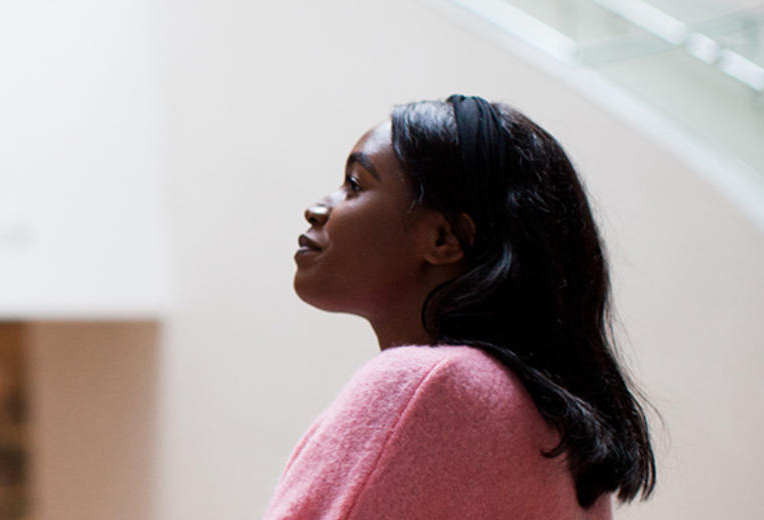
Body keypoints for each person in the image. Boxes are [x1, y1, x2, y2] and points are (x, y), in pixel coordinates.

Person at [267, 95, 656, 519]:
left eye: (356, 184)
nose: (318, 208)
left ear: (444, 239)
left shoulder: (427, 387)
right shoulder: (561, 441)